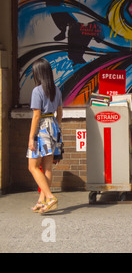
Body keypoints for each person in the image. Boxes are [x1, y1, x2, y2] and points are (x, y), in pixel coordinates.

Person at [27, 59, 63, 213]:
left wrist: (31, 137)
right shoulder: (56, 89)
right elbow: (60, 113)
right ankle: (42, 200)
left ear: (38, 73)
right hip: (53, 126)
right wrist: (56, 126)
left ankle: (50, 196)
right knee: (47, 167)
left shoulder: (37, 91)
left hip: (41, 128)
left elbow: (36, 116)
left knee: (33, 166)